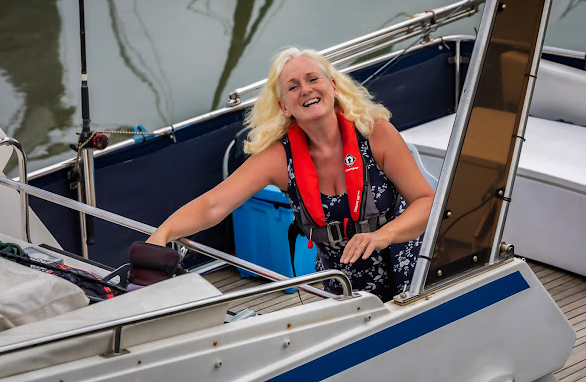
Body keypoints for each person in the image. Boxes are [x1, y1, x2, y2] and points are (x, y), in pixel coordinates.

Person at [146, 47, 434, 301]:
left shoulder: (376, 132)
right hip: (343, 289)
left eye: (312, 79)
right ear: (284, 106)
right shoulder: (277, 160)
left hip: (411, 268)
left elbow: (426, 201)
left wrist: (384, 235)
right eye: (293, 86)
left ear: (333, 88)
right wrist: (162, 235)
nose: (305, 89)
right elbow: (212, 205)